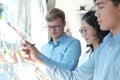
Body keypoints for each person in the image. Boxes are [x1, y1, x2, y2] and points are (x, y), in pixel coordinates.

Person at [21, 0, 120, 80]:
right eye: (49, 27)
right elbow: (73, 77)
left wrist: (38, 59)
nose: (96, 14)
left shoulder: (74, 43)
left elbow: (67, 71)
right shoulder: (103, 49)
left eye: (101, 7)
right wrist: (37, 58)